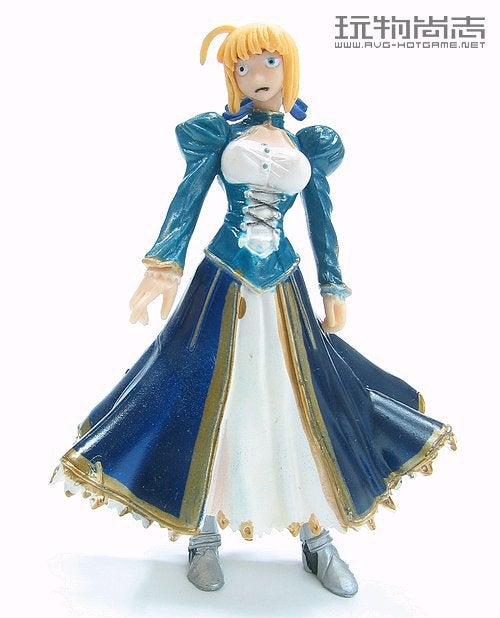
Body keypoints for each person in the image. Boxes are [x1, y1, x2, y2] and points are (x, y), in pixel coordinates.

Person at [50, 22, 456, 596]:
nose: (255, 76)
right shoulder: (216, 135)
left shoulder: (309, 145)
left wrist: (333, 285)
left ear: (288, 66)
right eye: (241, 67)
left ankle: (315, 535)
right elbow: (188, 199)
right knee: (210, 397)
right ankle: (203, 534)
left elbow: (321, 218)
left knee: (300, 401)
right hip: (223, 280)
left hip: (284, 287)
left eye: (267, 62)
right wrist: (163, 266)